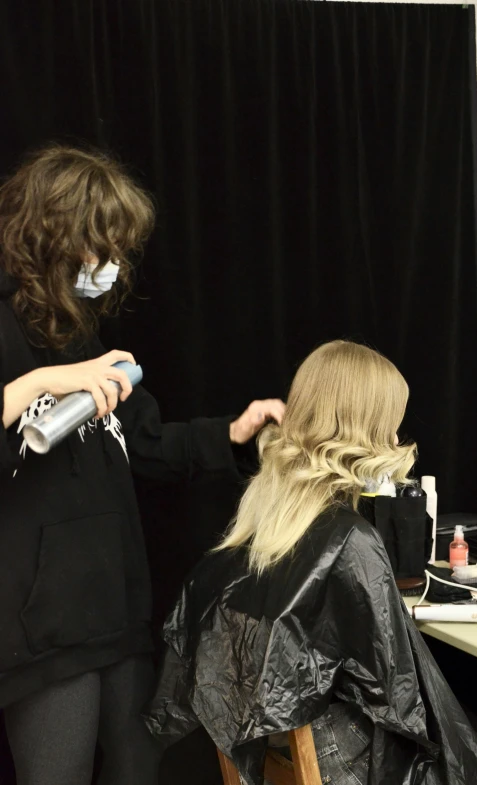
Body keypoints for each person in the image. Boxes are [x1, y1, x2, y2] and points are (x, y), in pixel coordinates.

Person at [0, 145, 285, 785]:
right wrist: (46, 380)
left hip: (116, 610)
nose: (113, 265)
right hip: (43, 629)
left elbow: (149, 444)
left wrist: (234, 435)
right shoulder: (10, 332)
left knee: (138, 770)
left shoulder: (79, 334)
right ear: (57, 234)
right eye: (105, 247)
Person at [146, 340, 477, 785]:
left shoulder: (262, 521)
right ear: (369, 429)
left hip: (282, 747)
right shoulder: (348, 538)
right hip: (344, 758)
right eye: (390, 423)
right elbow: (399, 701)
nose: (395, 438)